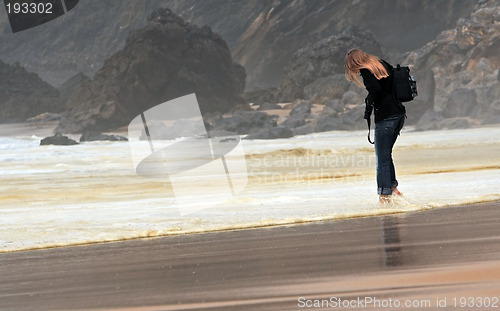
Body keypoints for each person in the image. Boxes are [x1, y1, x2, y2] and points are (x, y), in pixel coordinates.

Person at [344, 49, 406, 204]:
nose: (354, 71)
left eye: (352, 66)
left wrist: (369, 103)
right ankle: (393, 188)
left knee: (382, 158)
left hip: (385, 118)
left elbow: (376, 90)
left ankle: (384, 196)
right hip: (398, 115)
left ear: (355, 62)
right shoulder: (382, 64)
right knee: (386, 155)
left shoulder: (367, 71)